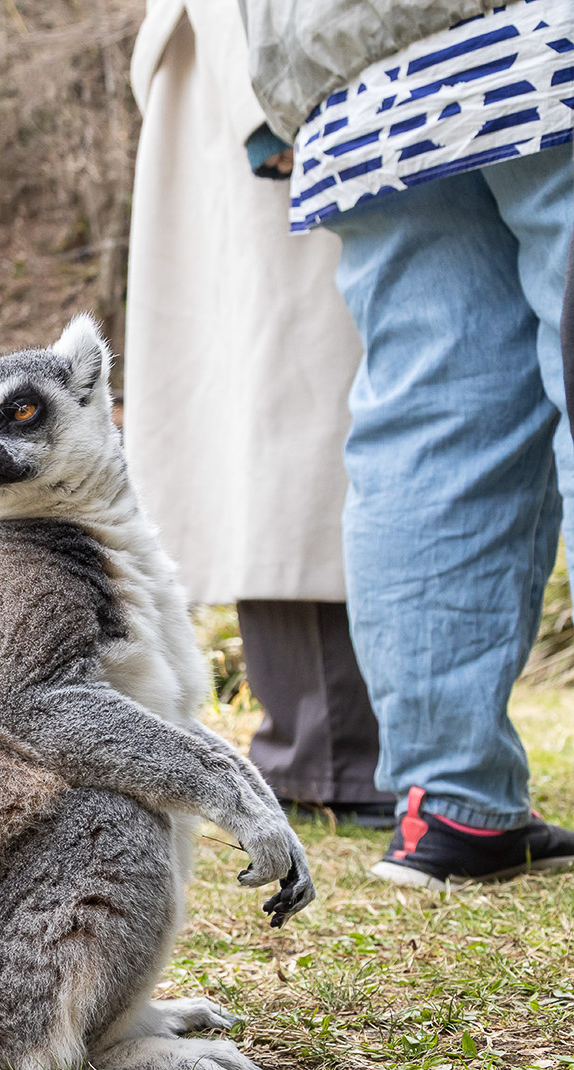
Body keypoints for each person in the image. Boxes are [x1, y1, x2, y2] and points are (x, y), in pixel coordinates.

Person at [242, 0, 574, 887]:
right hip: (540, 44)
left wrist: (274, 104)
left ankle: (450, 802)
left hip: (355, 73)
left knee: (433, 411)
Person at [126, 0, 397, 827]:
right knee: (293, 443)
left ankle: (336, 746)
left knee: (286, 437)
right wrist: (264, 111)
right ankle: (331, 753)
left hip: (257, 92)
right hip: (268, 105)